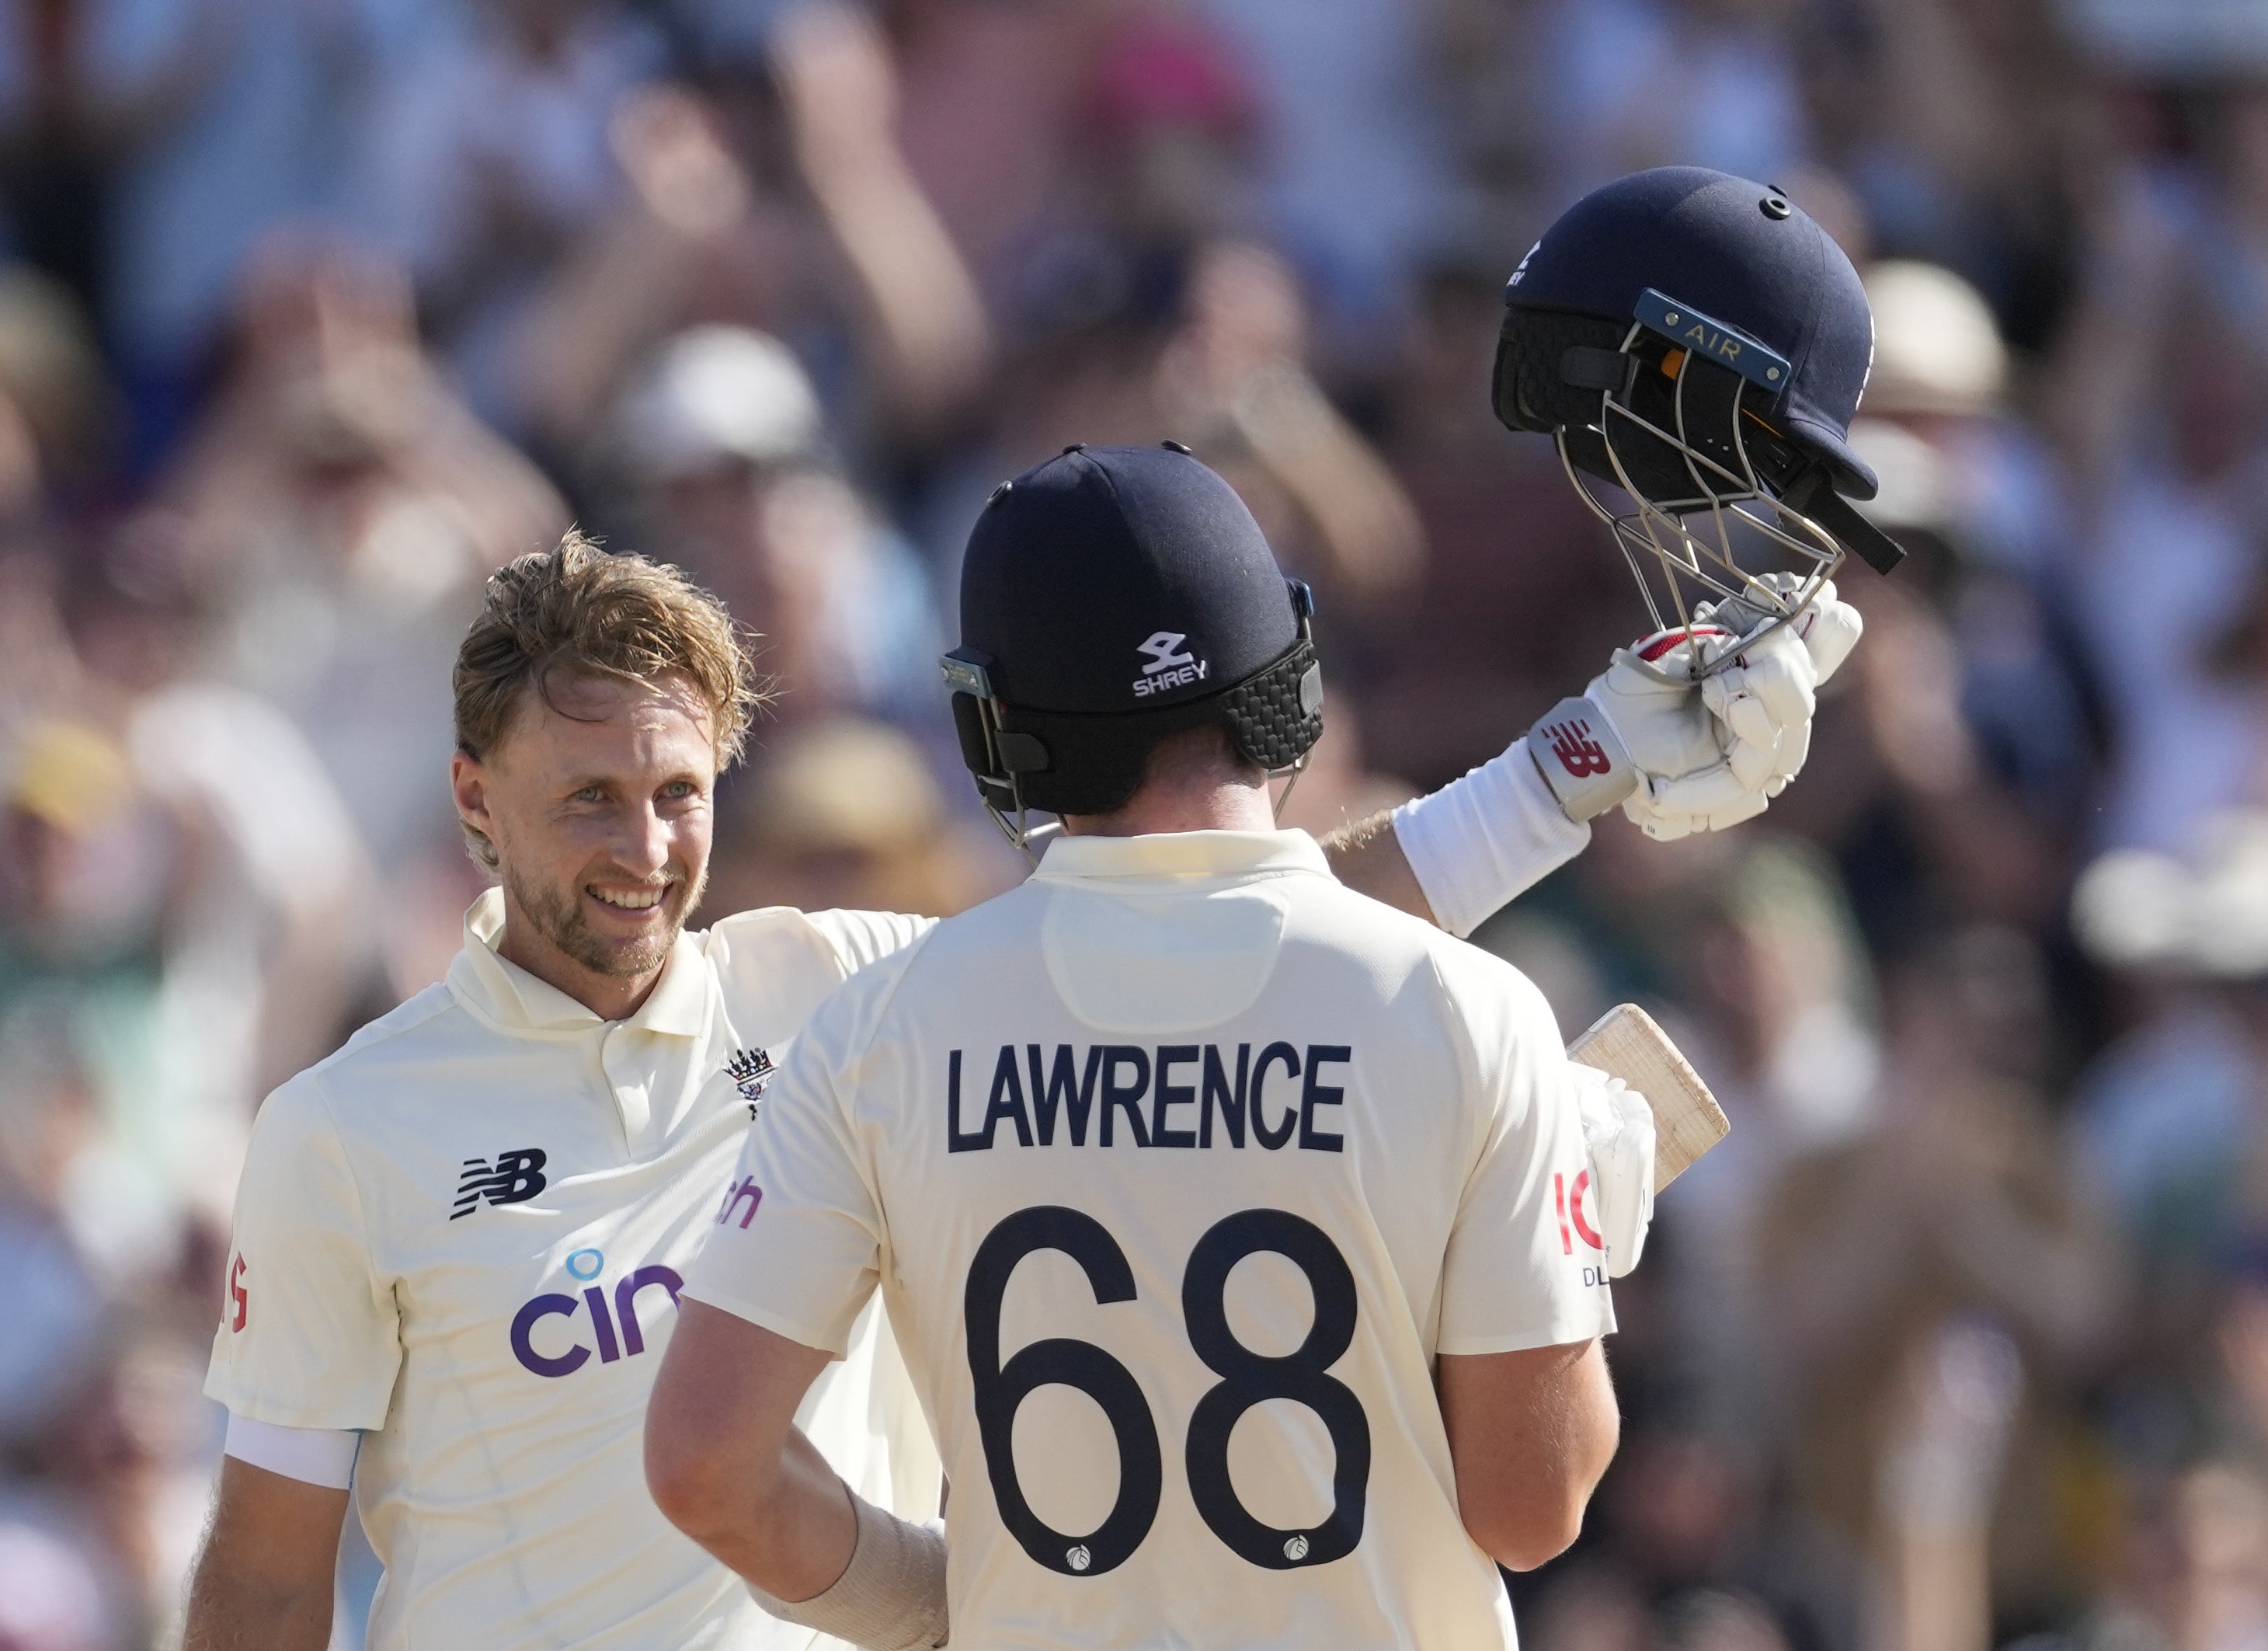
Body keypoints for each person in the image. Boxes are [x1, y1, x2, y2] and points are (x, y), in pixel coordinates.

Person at [184, 167, 1879, 1651]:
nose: (643, 847)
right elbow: (266, 1590)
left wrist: (1563, 766)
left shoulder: (854, 1006)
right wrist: (1556, 1219)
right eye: (587, 800)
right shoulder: (354, 1124)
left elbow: (1220, 929)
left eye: (681, 791)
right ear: (470, 798)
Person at [647, 443, 1627, 1649]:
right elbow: (1533, 1509)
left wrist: (937, 1610)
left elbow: (705, 1463)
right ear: (1291, 676)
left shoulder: (881, 1028)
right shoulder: (1470, 1010)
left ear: (996, 726)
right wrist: (1574, 1264)